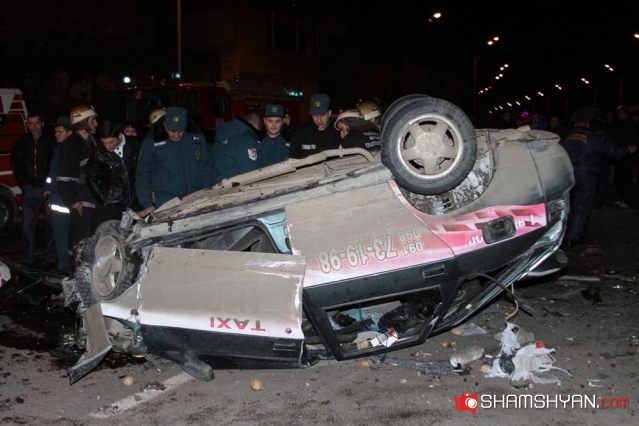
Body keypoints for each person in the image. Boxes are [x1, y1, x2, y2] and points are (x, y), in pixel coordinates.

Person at [559, 107, 636, 246]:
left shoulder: (565, 138)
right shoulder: (594, 138)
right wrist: (628, 150)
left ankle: (578, 232)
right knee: (583, 204)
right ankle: (573, 237)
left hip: (566, 175)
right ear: (588, 123)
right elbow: (614, 152)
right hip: (586, 174)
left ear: (575, 124)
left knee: (570, 205)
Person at [136, 106, 213, 212]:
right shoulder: (152, 141)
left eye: (180, 131)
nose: (176, 135)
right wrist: (147, 203)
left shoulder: (196, 138)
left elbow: (205, 166)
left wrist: (205, 191)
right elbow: (143, 173)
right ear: (165, 124)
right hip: (166, 199)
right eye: (172, 131)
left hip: (195, 196)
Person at [9, 112, 56, 268]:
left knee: (51, 224)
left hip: (48, 189)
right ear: (27, 124)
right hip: (30, 188)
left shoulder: (50, 140)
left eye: (36, 123)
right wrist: (23, 183)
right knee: (27, 225)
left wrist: (50, 185)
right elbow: (16, 162)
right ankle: (28, 258)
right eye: (30, 123)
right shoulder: (22, 142)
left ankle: (51, 257)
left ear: (42, 123)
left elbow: (55, 162)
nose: (34, 126)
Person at [58, 105, 101, 255]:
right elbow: (64, 178)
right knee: (80, 241)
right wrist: (73, 200)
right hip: (82, 202)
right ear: (84, 122)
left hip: (96, 200)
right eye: (92, 120)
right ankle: (76, 268)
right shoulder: (70, 145)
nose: (96, 124)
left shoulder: (94, 142)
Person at [87, 121, 142, 223]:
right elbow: (91, 178)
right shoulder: (98, 153)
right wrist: (104, 200)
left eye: (111, 142)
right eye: (104, 143)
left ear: (120, 135)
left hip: (138, 200)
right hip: (114, 204)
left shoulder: (135, 144)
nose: (107, 147)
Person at [44, 117, 73, 272]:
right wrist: (48, 187)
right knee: (60, 237)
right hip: (58, 202)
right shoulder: (58, 149)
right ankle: (65, 267)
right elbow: (52, 172)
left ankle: (68, 268)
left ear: (69, 132)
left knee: (66, 237)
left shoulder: (71, 149)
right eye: (55, 131)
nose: (56, 134)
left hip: (67, 203)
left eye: (59, 131)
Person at [210, 112, 263, 184]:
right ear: (256, 127)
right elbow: (251, 173)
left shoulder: (223, 135)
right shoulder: (246, 140)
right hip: (234, 187)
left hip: (217, 184)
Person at [289, 94, 341, 159]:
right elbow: (294, 160)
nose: (319, 120)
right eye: (315, 115)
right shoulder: (300, 134)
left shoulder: (339, 133)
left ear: (329, 113)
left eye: (322, 115)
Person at [611, 106, 638, 208]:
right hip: (619, 154)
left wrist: (629, 148)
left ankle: (626, 199)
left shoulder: (631, 125)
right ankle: (621, 197)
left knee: (626, 177)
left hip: (627, 155)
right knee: (618, 177)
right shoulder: (618, 124)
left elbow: (634, 139)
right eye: (619, 113)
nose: (619, 115)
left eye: (622, 113)